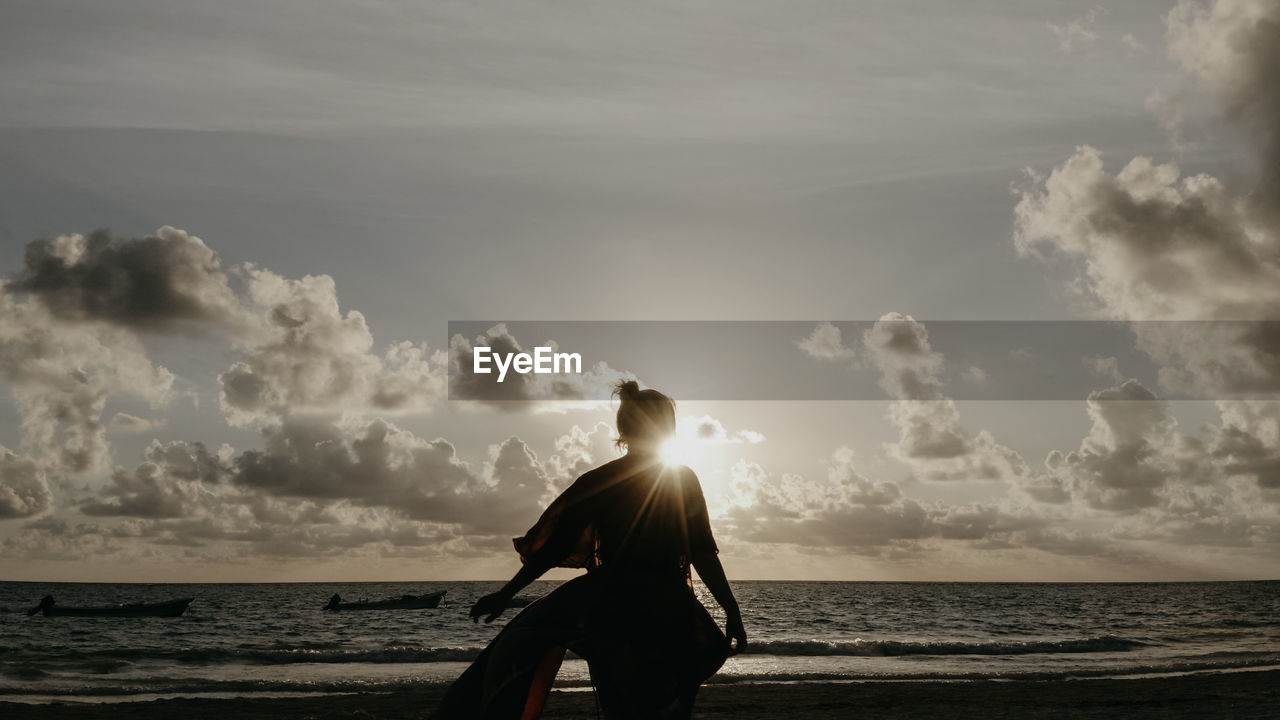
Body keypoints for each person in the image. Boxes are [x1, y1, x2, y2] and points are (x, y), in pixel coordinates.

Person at [431, 381, 747, 720]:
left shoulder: (603, 481)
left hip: (609, 606)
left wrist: (507, 594)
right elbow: (702, 553)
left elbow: (553, 550)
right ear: (666, 429)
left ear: (623, 429)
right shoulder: (681, 478)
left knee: (622, 703)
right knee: (667, 702)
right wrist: (730, 609)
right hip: (665, 605)